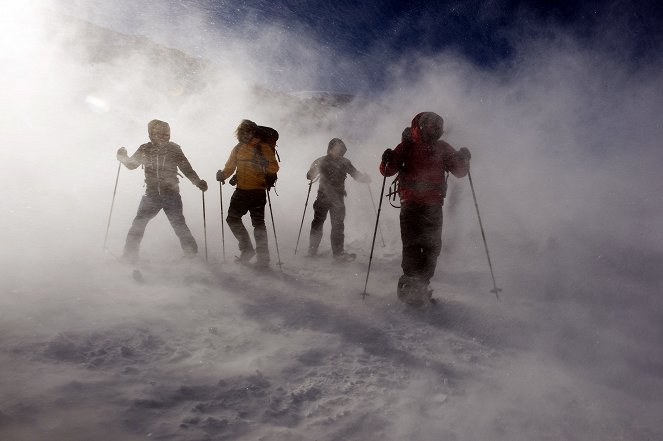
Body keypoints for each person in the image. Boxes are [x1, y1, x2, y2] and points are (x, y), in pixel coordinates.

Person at [379, 112, 471, 306]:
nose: (432, 129)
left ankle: (418, 284)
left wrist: (464, 160)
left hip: (429, 204)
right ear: (419, 126)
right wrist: (386, 159)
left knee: (431, 245)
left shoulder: (442, 148)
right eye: (428, 125)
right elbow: (387, 170)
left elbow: (460, 172)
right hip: (414, 203)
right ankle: (413, 284)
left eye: (436, 126)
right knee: (417, 243)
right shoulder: (407, 146)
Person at [116, 119, 208, 262]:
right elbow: (132, 165)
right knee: (139, 224)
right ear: (151, 135)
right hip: (151, 195)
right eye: (159, 134)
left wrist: (198, 182)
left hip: (170, 194)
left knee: (178, 224)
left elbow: (186, 168)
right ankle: (129, 256)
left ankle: (192, 255)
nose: (164, 137)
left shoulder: (174, 149)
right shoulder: (145, 149)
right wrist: (123, 157)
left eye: (166, 134)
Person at [216, 120, 279, 268]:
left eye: (246, 132)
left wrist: (266, 164)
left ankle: (260, 257)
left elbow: (275, 168)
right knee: (233, 219)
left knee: (257, 224)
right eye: (241, 132)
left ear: (253, 132)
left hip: (257, 191)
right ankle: (250, 251)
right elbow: (230, 166)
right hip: (242, 191)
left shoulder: (262, 147)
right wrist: (223, 175)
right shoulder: (238, 148)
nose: (243, 135)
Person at [306, 138, 371, 262]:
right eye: (336, 148)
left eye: (340, 149)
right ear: (330, 148)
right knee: (323, 223)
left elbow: (355, 174)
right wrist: (311, 173)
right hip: (326, 197)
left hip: (334, 197)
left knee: (333, 224)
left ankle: (334, 253)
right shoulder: (328, 161)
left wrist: (364, 179)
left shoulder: (335, 161)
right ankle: (318, 250)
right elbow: (309, 176)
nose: (337, 151)